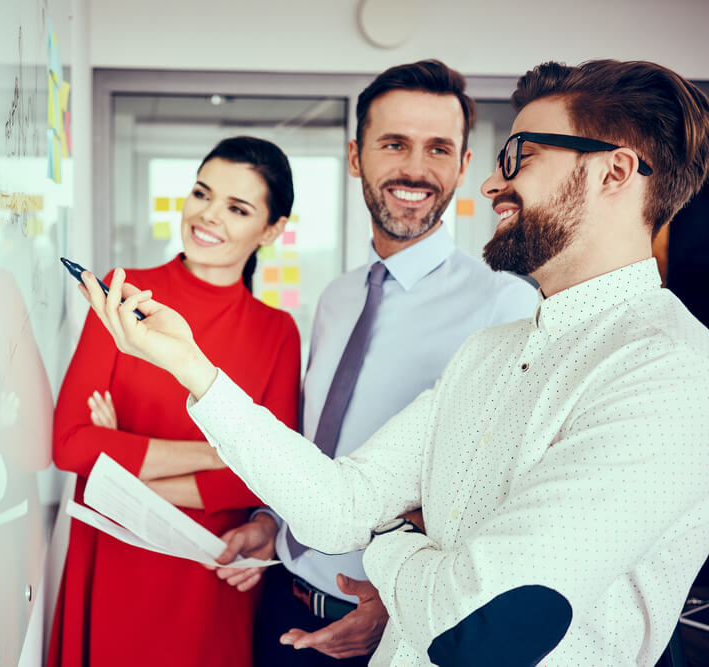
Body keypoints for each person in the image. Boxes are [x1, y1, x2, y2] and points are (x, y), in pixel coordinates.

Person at [78, 59, 709, 666]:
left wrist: (389, 542)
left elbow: (479, 627)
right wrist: (191, 365)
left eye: (521, 156)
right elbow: (338, 506)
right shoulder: (489, 353)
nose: (493, 184)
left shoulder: (670, 373)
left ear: (615, 172)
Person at [211, 61, 537, 666]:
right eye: (394, 144)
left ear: (464, 166)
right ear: (356, 156)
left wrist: (395, 601)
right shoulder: (337, 297)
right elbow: (320, 436)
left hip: (390, 629)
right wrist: (269, 518)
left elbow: (500, 491)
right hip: (283, 599)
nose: (415, 168)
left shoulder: (506, 303)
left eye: (438, 148)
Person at [46, 136, 302, 667]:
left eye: (237, 208)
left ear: (272, 230)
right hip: (115, 560)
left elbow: (265, 477)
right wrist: (220, 452)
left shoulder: (276, 332)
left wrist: (119, 466)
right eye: (202, 194)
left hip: (211, 571)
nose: (208, 216)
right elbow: (72, 448)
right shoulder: (123, 295)